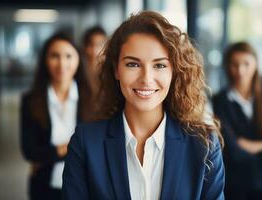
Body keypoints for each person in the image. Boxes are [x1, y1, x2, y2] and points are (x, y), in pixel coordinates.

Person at [63, 11, 225, 200]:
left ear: (174, 71)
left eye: (159, 65)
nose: (146, 79)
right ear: (116, 69)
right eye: (133, 64)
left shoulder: (204, 145)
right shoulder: (85, 143)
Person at [212, 42, 262, 200]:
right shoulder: (219, 101)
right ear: (228, 66)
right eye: (235, 64)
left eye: (246, 64)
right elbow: (231, 148)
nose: (240, 71)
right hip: (235, 185)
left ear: (255, 64)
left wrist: (245, 143)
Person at [20, 32, 82, 200]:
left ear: (78, 59)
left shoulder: (93, 99)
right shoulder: (31, 101)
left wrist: (50, 154)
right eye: (55, 56)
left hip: (84, 187)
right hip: (44, 187)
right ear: (45, 60)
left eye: (68, 56)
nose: (62, 63)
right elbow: (29, 151)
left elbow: (97, 147)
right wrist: (74, 147)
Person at [80, 26, 107, 122]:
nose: (95, 50)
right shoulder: (78, 73)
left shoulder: (111, 75)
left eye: (100, 45)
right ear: (85, 47)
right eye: (91, 45)